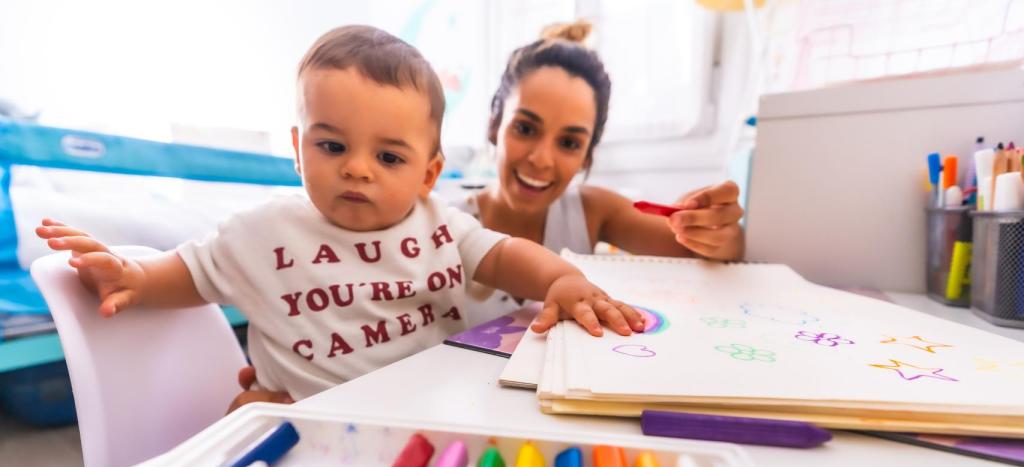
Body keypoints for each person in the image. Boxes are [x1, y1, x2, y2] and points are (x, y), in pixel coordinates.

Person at [35, 25, 643, 406]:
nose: (357, 169)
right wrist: (130, 278)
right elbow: (188, 274)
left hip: (426, 410)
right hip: (310, 420)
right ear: (299, 150)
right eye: (332, 146)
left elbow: (505, 255)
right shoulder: (260, 232)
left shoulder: (438, 223)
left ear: (428, 174)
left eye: (387, 155)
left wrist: (559, 279)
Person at [456, 20, 746, 321]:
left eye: (569, 142)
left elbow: (704, 249)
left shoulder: (592, 211)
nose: (541, 159)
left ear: (586, 156)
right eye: (525, 128)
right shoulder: (440, 227)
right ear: (494, 125)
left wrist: (721, 235)